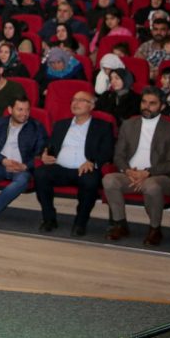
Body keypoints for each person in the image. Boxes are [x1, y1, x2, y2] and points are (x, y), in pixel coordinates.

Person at [102, 88, 170, 246]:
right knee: (109, 180)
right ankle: (120, 224)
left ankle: (155, 228)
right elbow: (118, 155)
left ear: (162, 107)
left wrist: (148, 173)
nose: (147, 106)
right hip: (131, 173)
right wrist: (128, 170)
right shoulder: (129, 124)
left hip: (159, 177)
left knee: (151, 186)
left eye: (152, 104)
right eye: (144, 102)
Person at [34, 91, 114, 236]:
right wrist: (44, 154)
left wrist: (93, 162)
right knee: (40, 173)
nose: (75, 103)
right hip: (60, 168)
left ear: (91, 106)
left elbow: (107, 151)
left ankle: (80, 222)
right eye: (73, 100)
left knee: (91, 181)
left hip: (84, 169)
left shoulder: (103, 126)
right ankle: (49, 218)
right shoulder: (61, 125)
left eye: (81, 100)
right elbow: (48, 145)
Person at [0, 96, 47, 229]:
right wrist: (3, 160)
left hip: (21, 169)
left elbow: (40, 155)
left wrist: (25, 166)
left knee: (23, 180)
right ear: (10, 110)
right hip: (0, 165)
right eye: (20, 109)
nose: (24, 113)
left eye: (27, 110)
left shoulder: (37, 127)